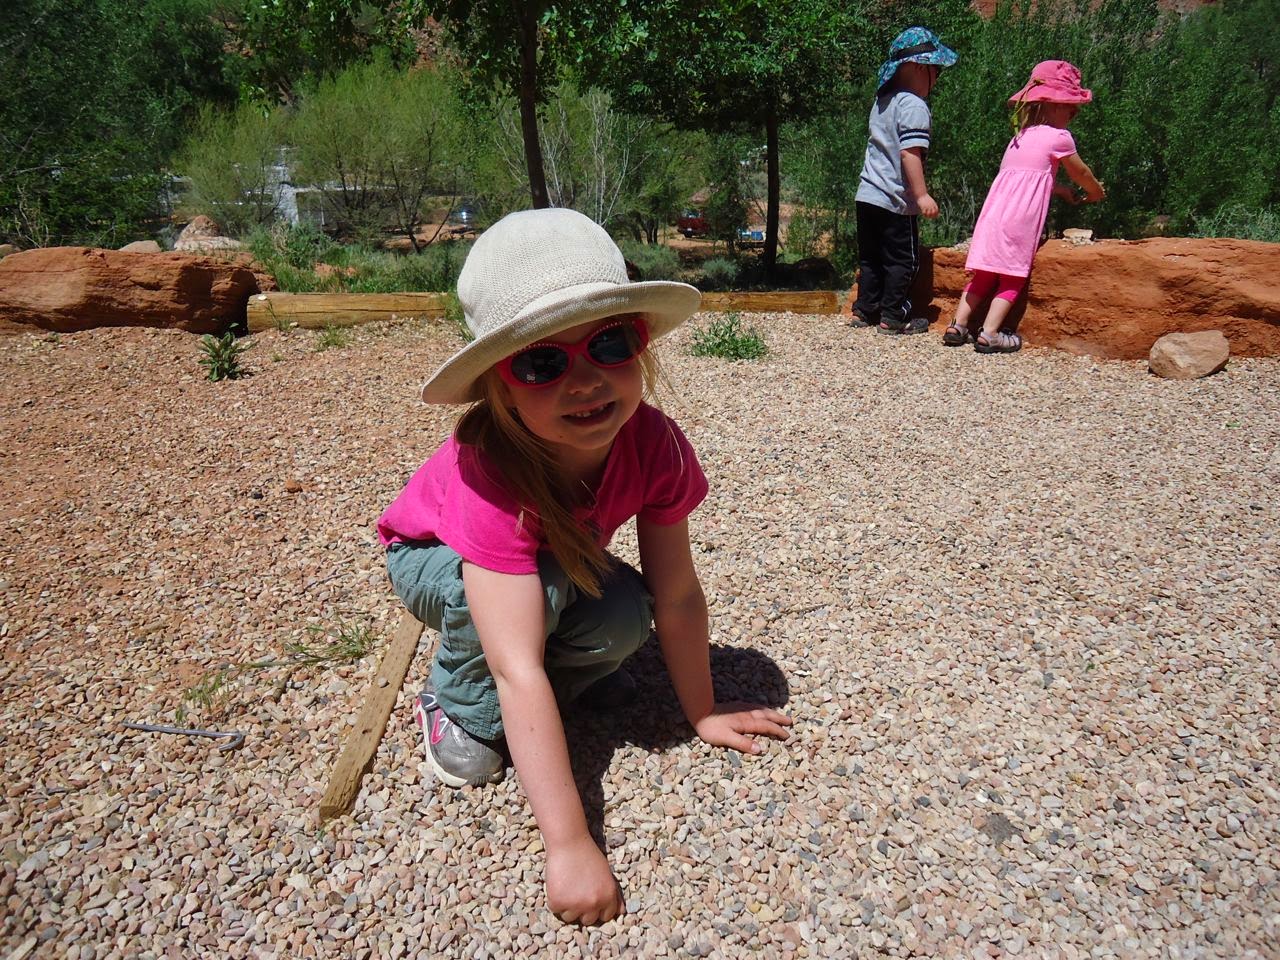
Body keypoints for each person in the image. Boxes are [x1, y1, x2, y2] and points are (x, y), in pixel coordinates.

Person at [377, 208, 793, 925]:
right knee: (532, 605)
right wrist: (569, 845)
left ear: (640, 347)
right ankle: (454, 704)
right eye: (541, 363)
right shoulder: (491, 471)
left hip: (551, 561)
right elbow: (515, 665)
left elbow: (676, 594)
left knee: (626, 617)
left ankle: (560, 675)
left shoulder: (656, 444)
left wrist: (700, 710)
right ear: (501, 386)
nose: (586, 380)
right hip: (431, 558)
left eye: (609, 342)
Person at [942, 60, 1106, 354]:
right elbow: (1080, 172)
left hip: (993, 215)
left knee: (984, 273)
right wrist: (1095, 191)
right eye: (1070, 107)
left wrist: (1058, 190)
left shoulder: (1020, 137)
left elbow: (1025, 179)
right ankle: (990, 333)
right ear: (1051, 105)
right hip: (1020, 221)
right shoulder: (1060, 138)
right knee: (1013, 275)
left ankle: (958, 324)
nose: (1073, 114)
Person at [851, 26, 958, 336]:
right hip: (895, 200)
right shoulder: (914, 105)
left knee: (871, 258)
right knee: (903, 261)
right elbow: (910, 152)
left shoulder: (882, 101)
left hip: (867, 195)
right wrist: (921, 195)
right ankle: (894, 315)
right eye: (936, 71)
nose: (937, 79)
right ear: (919, 68)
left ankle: (864, 310)